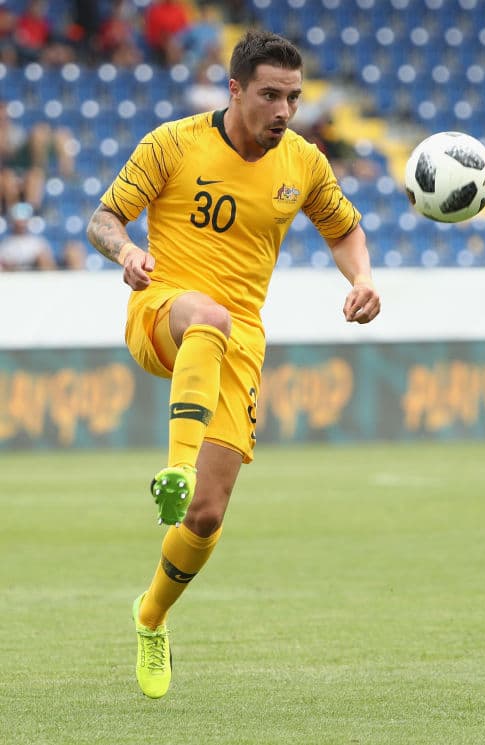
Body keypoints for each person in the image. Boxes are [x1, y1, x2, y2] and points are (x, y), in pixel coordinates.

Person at [86, 30, 381, 700]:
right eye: (271, 95)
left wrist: (362, 277)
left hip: (240, 344)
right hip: (162, 310)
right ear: (236, 90)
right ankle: (176, 467)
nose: (284, 110)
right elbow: (104, 219)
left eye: (295, 97)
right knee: (209, 317)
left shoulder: (302, 162)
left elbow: (344, 229)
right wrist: (127, 253)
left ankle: (151, 615)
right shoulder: (173, 143)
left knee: (207, 517)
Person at [0, 201, 55, 270]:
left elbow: (49, 264)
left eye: (23, 220)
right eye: (18, 221)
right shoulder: (6, 244)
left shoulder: (38, 242)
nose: (21, 224)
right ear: (13, 222)